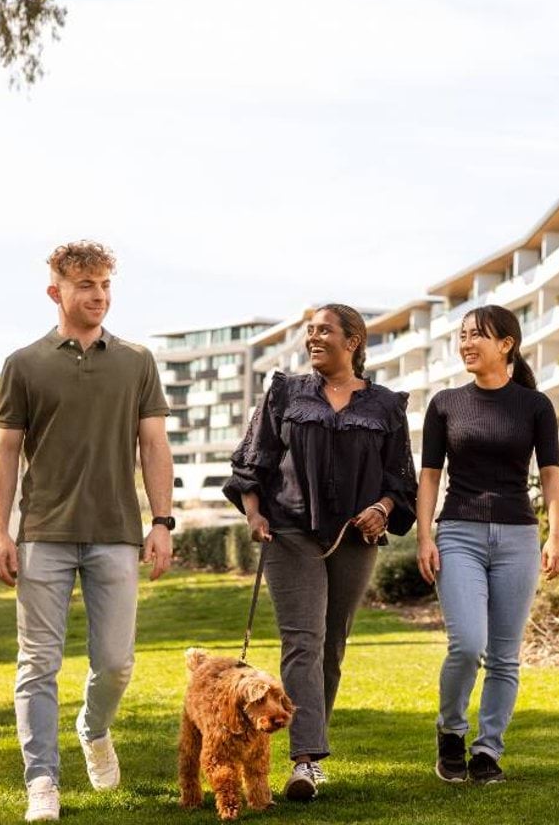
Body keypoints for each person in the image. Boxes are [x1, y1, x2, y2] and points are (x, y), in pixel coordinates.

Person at [0, 240, 176, 822]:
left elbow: (153, 444)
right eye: (86, 286)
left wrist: (163, 521)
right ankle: (42, 779)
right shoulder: (24, 364)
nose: (98, 296)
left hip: (116, 531)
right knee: (37, 664)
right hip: (43, 531)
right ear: (56, 292)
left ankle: (94, 729)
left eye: (105, 286)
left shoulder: (136, 361)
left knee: (116, 661)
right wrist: (0, 531)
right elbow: (5, 454)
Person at [223, 304, 418, 802]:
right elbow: (254, 458)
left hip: (355, 539)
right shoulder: (285, 393)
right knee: (302, 643)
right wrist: (254, 513)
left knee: (332, 646)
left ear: (352, 341)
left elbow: (400, 480)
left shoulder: (386, 406)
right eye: (309, 331)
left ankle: (312, 748)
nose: (313, 338)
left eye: (324, 331)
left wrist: (382, 506)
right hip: (289, 532)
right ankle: (305, 761)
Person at [416, 304, 559, 785]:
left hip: (518, 537)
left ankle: (487, 752)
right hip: (458, 531)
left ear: (506, 344)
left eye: (477, 335)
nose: (466, 343)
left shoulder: (535, 406)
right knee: (467, 645)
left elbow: (550, 477)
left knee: (505, 655)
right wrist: (424, 536)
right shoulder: (444, 404)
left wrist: (556, 536)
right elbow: (429, 477)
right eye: (462, 335)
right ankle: (451, 731)